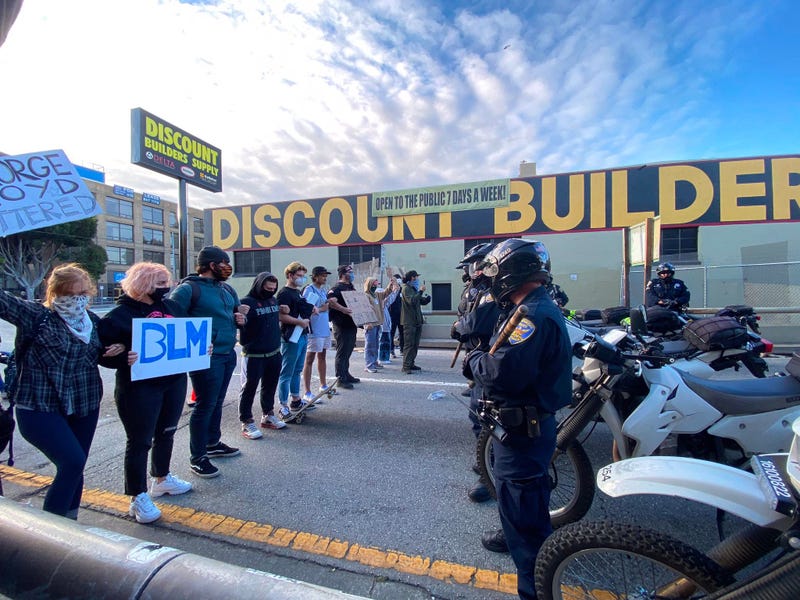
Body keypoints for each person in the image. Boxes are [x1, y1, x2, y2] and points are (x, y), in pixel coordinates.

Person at [463, 239, 572, 600]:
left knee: (525, 527)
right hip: (523, 428)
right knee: (524, 511)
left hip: (522, 432)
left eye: (495, 272)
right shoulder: (529, 307)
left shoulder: (532, 316)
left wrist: (474, 360)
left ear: (513, 273)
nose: (490, 279)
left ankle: (537, 589)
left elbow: (502, 372)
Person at [0, 263, 125, 519]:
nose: (77, 300)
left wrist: (119, 350)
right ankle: (55, 529)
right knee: (72, 462)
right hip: (38, 406)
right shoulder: (35, 316)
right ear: (55, 292)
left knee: (76, 467)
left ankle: (71, 521)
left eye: (83, 294)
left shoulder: (91, 322)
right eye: (70, 294)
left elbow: (107, 353)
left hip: (84, 404)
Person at [98, 262, 192, 523]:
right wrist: (120, 357)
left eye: (167, 282)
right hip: (139, 387)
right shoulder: (119, 316)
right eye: (160, 283)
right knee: (139, 441)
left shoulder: (172, 307)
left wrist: (200, 348)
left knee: (167, 432)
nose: (167, 287)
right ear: (144, 284)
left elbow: (188, 335)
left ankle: (161, 478)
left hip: (173, 381)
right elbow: (102, 354)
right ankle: (137, 495)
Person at [169, 246, 248, 479]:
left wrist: (240, 318)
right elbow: (171, 319)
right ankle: (198, 456)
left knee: (217, 402)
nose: (228, 266)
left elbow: (235, 316)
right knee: (205, 405)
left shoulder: (227, 289)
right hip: (205, 357)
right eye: (223, 262)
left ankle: (213, 443)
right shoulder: (188, 289)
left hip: (227, 353)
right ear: (211, 265)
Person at [451, 243, 498, 503]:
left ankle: (490, 476)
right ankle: (486, 461)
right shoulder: (477, 288)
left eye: (474, 264)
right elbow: (465, 312)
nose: (471, 270)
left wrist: (460, 325)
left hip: (490, 358)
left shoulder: (492, 291)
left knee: (486, 421)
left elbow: (478, 320)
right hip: (478, 355)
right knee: (479, 417)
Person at [238, 272, 286, 439]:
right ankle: (246, 421)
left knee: (270, 386)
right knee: (249, 388)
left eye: (273, 289)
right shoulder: (246, 303)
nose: (271, 291)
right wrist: (240, 319)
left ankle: (268, 415)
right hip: (254, 354)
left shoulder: (273, 300)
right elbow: (239, 324)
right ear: (259, 285)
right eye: (267, 288)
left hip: (274, 352)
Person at [276, 262, 317, 418]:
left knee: (297, 370)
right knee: (286, 372)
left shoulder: (297, 292)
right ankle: (283, 406)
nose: (301, 278)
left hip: (302, 334)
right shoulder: (284, 293)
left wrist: (309, 310)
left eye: (302, 275)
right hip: (290, 336)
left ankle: (295, 399)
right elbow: (280, 315)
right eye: (298, 275)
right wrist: (299, 322)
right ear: (290, 275)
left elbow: (298, 310)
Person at [301, 266, 334, 402]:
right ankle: (307, 392)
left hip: (324, 328)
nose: (324, 278)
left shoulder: (323, 290)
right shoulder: (309, 289)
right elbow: (305, 310)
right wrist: (322, 308)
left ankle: (323, 385)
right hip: (314, 330)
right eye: (322, 275)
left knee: (323, 356)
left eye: (325, 275)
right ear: (315, 276)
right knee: (309, 359)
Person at [327, 265, 359, 389]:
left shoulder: (350, 287)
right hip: (341, 324)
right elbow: (331, 301)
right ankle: (341, 378)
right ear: (343, 274)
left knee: (349, 350)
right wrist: (343, 309)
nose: (352, 274)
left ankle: (346, 373)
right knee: (342, 351)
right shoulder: (337, 288)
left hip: (352, 323)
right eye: (350, 272)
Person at [362, 276, 399, 373]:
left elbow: (387, 292)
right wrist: (367, 322)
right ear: (370, 284)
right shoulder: (366, 296)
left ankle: (374, 362)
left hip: (378, 322)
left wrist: (391, 283)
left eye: (377, 283)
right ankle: (369, 365)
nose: (376, 285)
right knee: (370, 345)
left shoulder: (376, 295)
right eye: (374, 283)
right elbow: (364, 311)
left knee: (376, 344)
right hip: (370, 323)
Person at [400, 270, 431, 374]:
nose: (417, 279)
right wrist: (421, 291)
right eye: (415, 277)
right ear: (411, 278)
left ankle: (411, 363)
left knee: (415, 344)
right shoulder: (405, 288)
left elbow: (419, 300)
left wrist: (426, 299)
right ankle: (406, 366)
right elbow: (412, 300)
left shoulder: (413, 289)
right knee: (409, 344)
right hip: (409, 321)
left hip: (417, 321)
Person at [388, 274, 403, 358]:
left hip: (401, 314)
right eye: (397, 279)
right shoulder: (390, 289)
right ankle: (391, 350)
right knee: (391, 332)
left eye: (399, 279)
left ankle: (402, 349)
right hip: (392, 314)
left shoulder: (402, 289)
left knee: (402, 332)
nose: (398, 280)